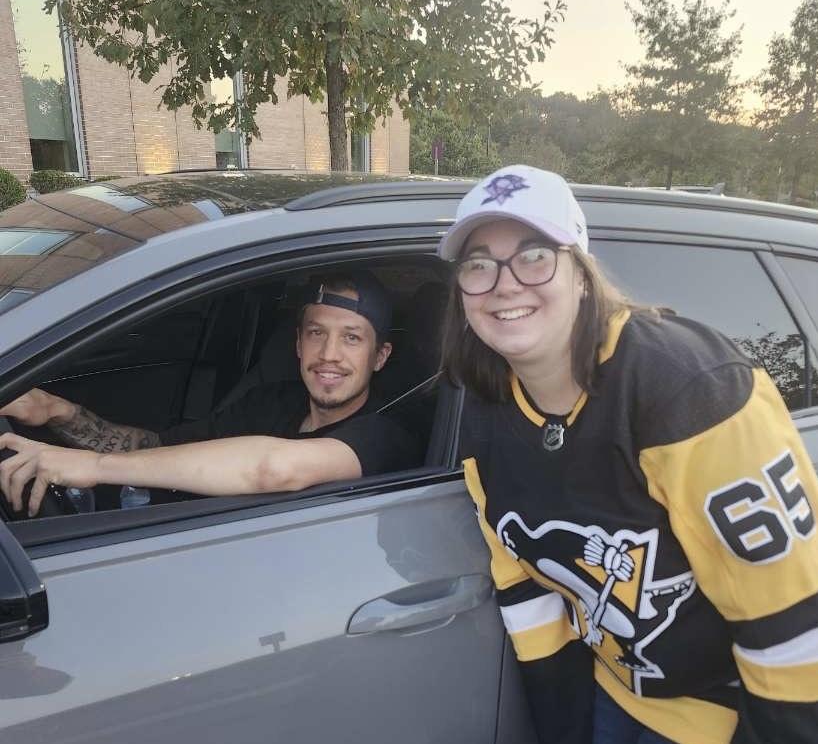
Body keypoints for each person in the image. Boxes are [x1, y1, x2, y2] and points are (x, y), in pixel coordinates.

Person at [437, 165, 818, 744]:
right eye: (478, 265)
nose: (504, 284)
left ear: (582, 273)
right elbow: (527, 591)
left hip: (721, 713)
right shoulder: (487, 415)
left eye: (534, 255)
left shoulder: (690, 391)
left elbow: (795, 621)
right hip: (616, 693)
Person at [0, 272, 421, 516]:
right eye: (316, 334)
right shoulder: (272, 403)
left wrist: (95, 466)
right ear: (297, 344)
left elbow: (270, 469)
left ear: (379, 356)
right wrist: (58, 411)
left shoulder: (386, 434)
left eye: (351, 339)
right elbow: (156, 448)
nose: (328, 355)